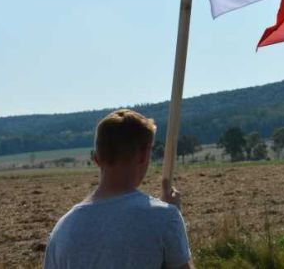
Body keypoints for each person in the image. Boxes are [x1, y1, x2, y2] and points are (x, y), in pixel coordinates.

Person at [43, 109, 192, 269]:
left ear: (96, 158)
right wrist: (173, 216)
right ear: (143, 155)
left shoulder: (61, 230)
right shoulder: (165, 219)